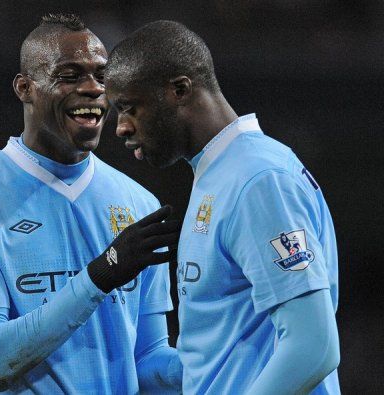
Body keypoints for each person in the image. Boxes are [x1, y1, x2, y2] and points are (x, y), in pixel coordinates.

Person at [0, 14, 182, 394]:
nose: (94, 88)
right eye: (71, 75)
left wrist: (225, 357)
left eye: (102, 76)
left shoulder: (138, 203)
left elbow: (145, 362)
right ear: (25, 88)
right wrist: (100, 275)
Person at [105, 20, 340, 394]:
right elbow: (216, 356)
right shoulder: (220, 174)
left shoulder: (256, 179)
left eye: (129, 107)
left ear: (179, 90)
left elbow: (314, 347)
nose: (120, 127)